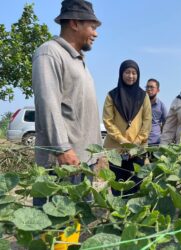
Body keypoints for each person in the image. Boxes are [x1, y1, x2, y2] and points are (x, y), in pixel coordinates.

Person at [32, 0, 102, 206]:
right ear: (74, 23)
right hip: (64, 162)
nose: (95, 33)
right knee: (55, 230)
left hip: (82, 161)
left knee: (75, 228)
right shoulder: (49, 53)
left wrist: (95, 155)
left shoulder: (78, 60)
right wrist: (62, 148)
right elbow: (48, 103)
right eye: (92, 27)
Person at [103, 60, 152, 196]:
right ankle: (118, 215)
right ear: (121, 74)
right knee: (117, 184)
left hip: (138, 150)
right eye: (127, 72)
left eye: (134, 73)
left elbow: (147, 120)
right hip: (115, 149)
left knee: (136, 184)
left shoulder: (143, 96)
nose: (131, 76)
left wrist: (136, 142)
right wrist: (122, 140)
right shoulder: (112, 95)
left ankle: (133, 216)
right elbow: (108, 120)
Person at [145, 78, 168, 146]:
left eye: (151, 87)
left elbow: (166, 124)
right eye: (147, 87)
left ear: (158, 90)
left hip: (156, 143)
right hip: (140, 143)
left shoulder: (161, 106)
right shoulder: (140, 105)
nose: (149, 89)